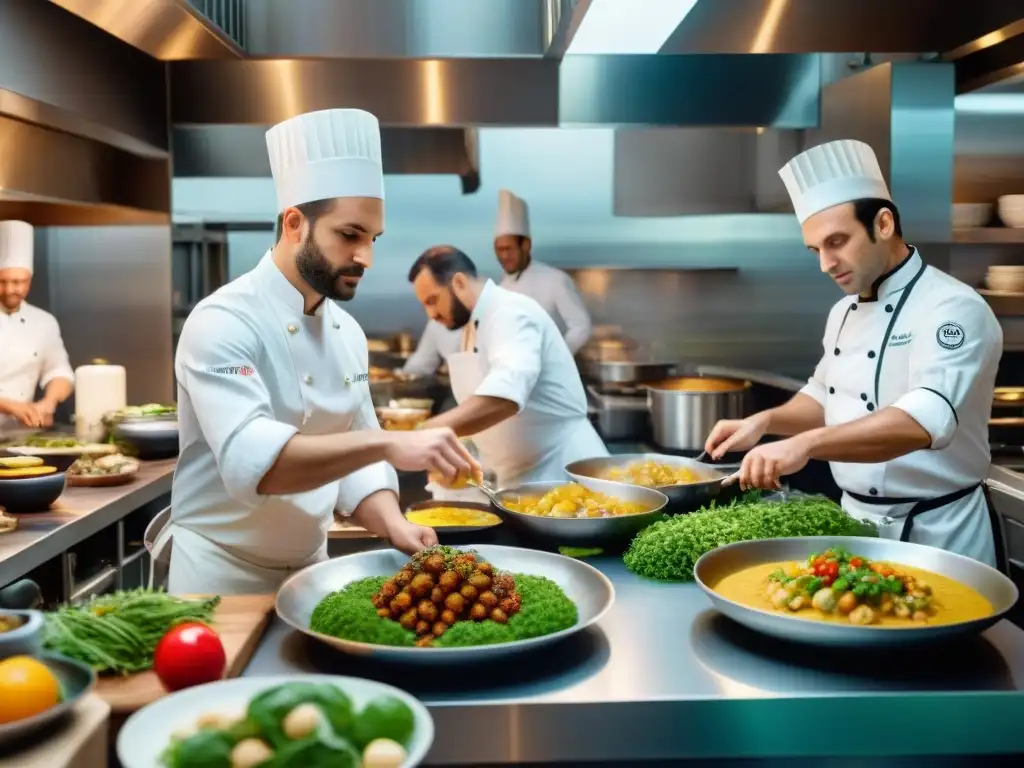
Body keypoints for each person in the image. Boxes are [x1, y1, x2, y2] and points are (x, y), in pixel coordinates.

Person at [161, 109, 479, 595]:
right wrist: (392, 443)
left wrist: (394, 524)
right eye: (349, 235)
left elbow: (358, 452)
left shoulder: (348, 333)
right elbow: (257, 465)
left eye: (372, 239)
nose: (365, 257)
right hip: (218, 577)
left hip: (311, 570)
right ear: (294, 224)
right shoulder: (221, 321)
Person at [704, 139, 1004, 569]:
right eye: (816, 251)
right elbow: (827, 395)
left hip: (939, 534)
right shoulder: (843, 311)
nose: (826, 263)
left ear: (883, 224)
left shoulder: (953, 309)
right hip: (854, 526)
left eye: (837, 241)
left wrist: (806, 445)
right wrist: (765, 421)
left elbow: (921, 422)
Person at [408, 245, 608, 488]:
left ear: (459, 282)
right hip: (517, 483)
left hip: (562, 477)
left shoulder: (511, 313)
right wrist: (465, 451)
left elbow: (504, 398)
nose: (431, 315)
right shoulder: (473, 326)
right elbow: (488, 416)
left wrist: (420, 432)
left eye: (433, 300)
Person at [494, 189, 593, 355]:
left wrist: (554, 358)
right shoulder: (502, 287)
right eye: (498, 249)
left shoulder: (555, 280)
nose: (504, 255)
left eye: (509, 249)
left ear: (526, 245)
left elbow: (581, 326)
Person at [0, 220, 74, 435]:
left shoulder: (43, 322)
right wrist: (11, 406)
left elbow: (59, 371)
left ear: (30, 279)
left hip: (21, 437)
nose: (11, 289)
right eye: (3, 281)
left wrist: (48, 403)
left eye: (19, 281)